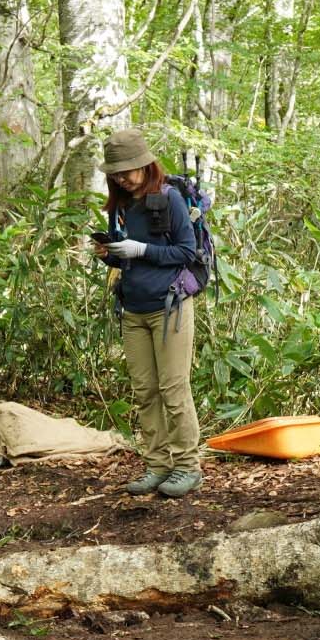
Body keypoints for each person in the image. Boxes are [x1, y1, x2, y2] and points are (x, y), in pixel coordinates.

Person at [93, 129, 205, 498]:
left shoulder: (169, 199)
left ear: (145, 163)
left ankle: (187, 467)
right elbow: (125, 258)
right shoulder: (122, 206)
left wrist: (140, 250)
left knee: (174, 389)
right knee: (145, 392)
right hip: (133, 308)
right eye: (116, 172)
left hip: (169, 307)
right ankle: (157, 465)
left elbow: (186, 252)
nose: (122, 176)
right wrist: (110, 253)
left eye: (127, 169)